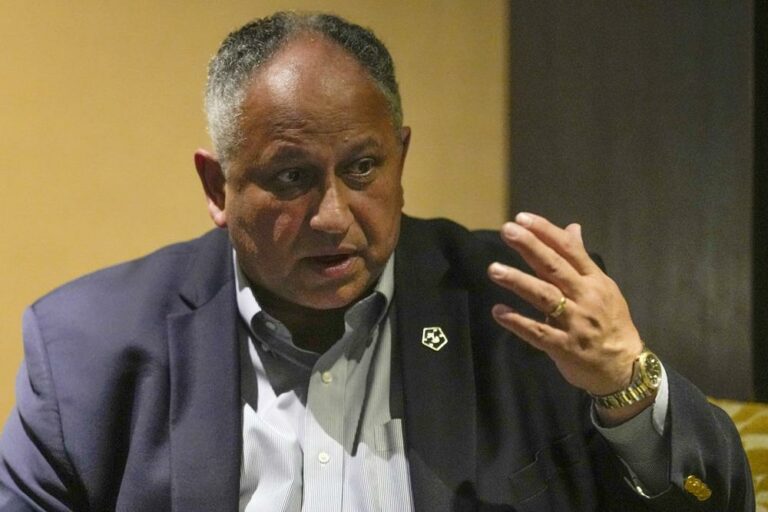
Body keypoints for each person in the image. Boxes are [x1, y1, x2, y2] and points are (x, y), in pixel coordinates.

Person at [0, 11, 753, 512]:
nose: (333, 216)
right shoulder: (88, 352)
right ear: (216, 186)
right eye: (291, 177)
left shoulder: (527, 311)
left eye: (363, 168)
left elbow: (715, 500)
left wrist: (625, 385)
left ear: (401, 157)